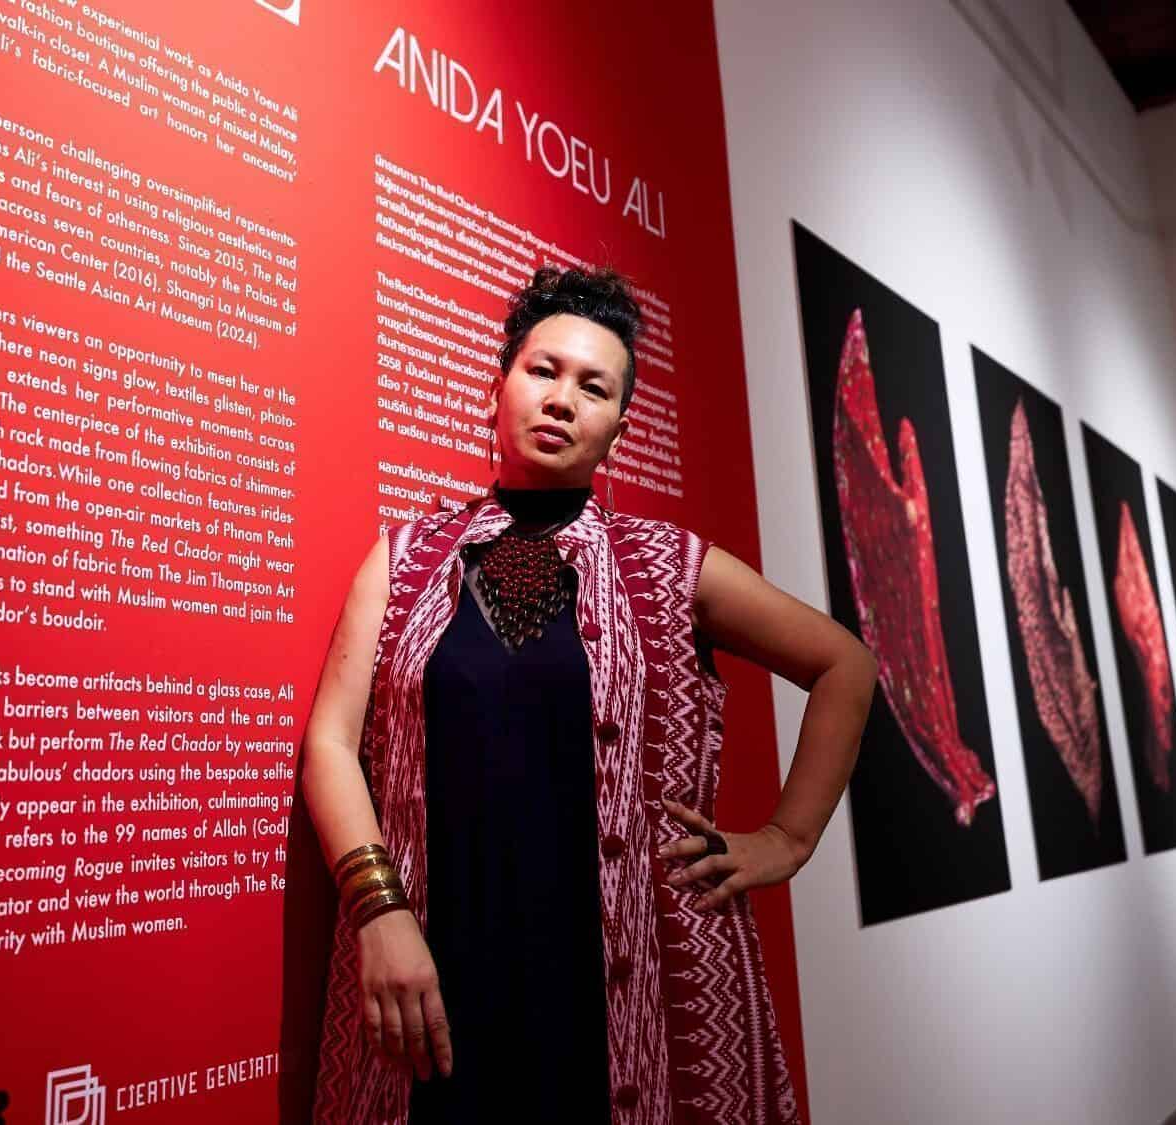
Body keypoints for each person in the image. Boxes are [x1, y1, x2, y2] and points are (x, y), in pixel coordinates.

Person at [299, 266, 876, 1124]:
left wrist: (787, 838)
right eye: (543, 371)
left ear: (617, 427)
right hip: (433, 970)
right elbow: (331, 745)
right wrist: (378, 909)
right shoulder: (406, 559)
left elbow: (845, 664)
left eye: (593, 386)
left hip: (639, 977)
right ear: (500, 385)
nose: (562, 399)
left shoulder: (668, 566)